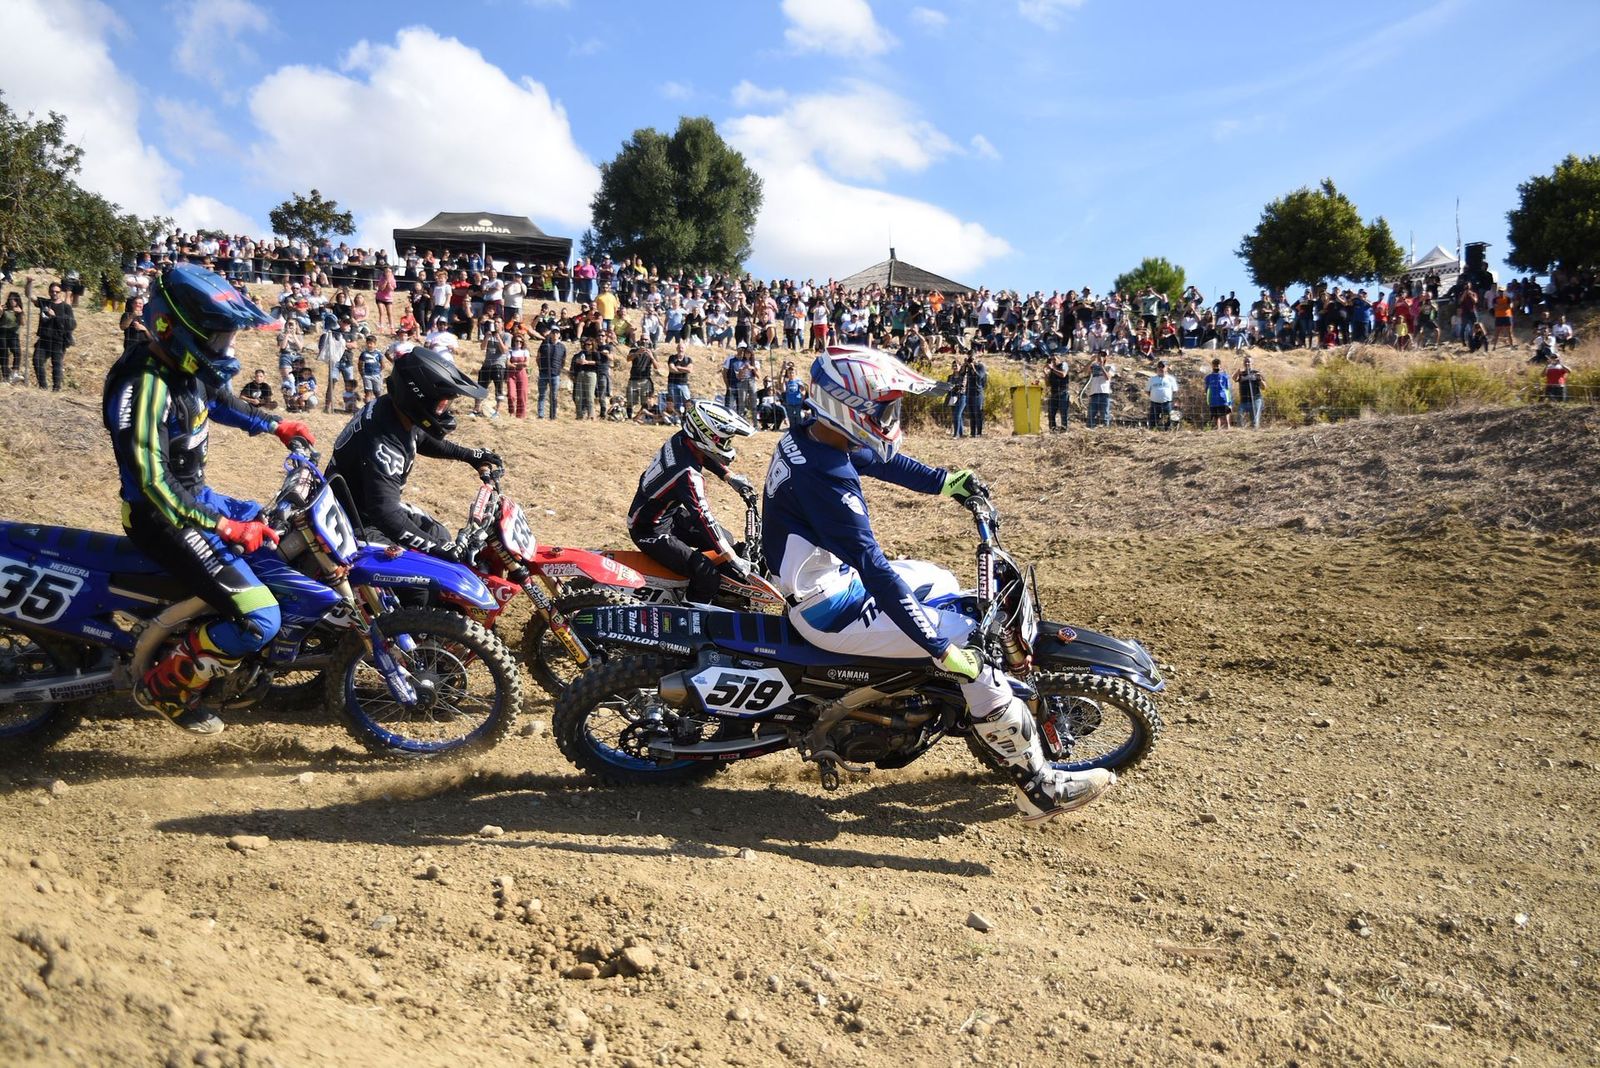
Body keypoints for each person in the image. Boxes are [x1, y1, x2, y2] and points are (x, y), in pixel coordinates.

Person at [763, 346, 1115, 821]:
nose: (892, 416)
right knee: (976, 653)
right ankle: (1040, 787)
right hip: (829, 609)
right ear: (849, 407)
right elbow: (875, 568)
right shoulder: (825, 479)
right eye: (884, 407)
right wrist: (937, 645)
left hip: (828, 582)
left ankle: (948, 698)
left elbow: (879, 460)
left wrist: (947, 482)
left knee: (939, 577)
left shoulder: (813, 435)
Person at [102, 264, 313, 734]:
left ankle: (230, 644)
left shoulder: (185, 366)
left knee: (283, 536)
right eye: (217, 338)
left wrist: (276, 424)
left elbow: (220, 400)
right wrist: (225, 526)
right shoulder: (144, 386)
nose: (225, 348)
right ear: (171, 328)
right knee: (260, 619)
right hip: (162, 518)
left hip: (196, 498)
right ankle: (167, 689)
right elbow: (153, 484)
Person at [325, 347, 502, 559]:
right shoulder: (383, 446)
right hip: (352, 523)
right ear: (418, 397)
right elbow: (386, 515)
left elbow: (421, 438)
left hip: (369, 508)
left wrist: (469, 455)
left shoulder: (393, 409)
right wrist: (438, 550)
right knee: (424, 580)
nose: (445, 411)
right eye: (442, 404)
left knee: (439, 534)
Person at [628, 400, 757, 603]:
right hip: (648, 529)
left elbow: (703, 455)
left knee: (727, 538)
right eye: (724, 441)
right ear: (707, 435)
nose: (727, 446)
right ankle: (688, 613)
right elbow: (703, 517)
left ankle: (721, 591)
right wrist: (733, 559)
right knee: (706, 576)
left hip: (665, 514)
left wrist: (729, 477)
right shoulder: (687, 475)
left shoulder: (682, 439)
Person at [31, 280, 76, 391]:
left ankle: (56, 388)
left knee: (56, 365)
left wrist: (55, 316)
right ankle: (43, 387)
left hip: (58, 340)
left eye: (57, 291)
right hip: (44, 339)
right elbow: (30, 296)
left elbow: (72, 324)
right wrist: (29, 283)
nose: (54, 293)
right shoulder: (44, 303)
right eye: (52, 291)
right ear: (49, 292)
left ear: (60, 292)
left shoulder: (66, 307)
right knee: (37, 360)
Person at [536, 329, 566, 419]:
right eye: (553, 333)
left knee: (553, 396)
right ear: (551, 334)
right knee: (542, 395)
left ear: (559, 335)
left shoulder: (562, 347)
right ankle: (540, 415)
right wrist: (540, 368)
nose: (555, 335)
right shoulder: (544, 344)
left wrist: (559, 369)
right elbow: (538, 357)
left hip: (555, 374)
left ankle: (553, 415)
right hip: (543, 373)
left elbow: (563, 360)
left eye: (557, 333)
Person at [625, 343, 657, 420]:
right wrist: (637, 353)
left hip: (645, 380)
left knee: (645, 401)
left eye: (646, 340)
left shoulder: (652, 352)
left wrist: (651, 357)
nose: (644, 341)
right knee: (630, 400)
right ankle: (629, 418)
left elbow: (657, 366)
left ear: (649, 341)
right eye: (642, 340)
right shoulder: (633, 350)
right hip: (633, 379)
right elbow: (628, 359)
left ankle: (639, 417)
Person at [1234, 355, 1265, 429]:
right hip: (1244, 400)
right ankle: (1241, 432)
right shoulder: (1242, 374)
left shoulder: (1256, 373)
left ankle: (1255, 434)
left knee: (1254, 420)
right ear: (1243, 363)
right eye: (1245, 362)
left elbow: (1264, 387)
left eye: (1249, 362)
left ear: (1252, 363)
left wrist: (1260, 379)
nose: (1247, 363)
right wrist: (1237, 372)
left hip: (1256, 399)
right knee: (1239, 416)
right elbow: (1234, 379)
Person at [1085, 354, 1114, 429]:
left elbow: (1107, 377)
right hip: (1094, 393)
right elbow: (1085, 371)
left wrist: (1101, 366)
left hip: (1104, 394)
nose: (1101, 357)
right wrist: (1091, 360)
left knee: (1104, 415)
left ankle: (1104, 430)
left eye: (1103, 355)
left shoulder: (1110, 366)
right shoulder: (1094, 366)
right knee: (1091, 415)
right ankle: (1090, 430)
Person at [667, 342, 693, 422]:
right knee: (674, 402)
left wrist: (678, 368)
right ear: (676, 349)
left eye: (682, 348)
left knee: (688, 401)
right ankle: (677, 418)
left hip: (683, 384)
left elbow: (690, 370)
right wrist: (683, 370)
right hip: (672, 383)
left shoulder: (688, 359)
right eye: (679, 347)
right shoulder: (672, 358)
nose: (680, 349)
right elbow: (672, 369)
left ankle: (687, 418)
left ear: (685, 349)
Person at [1204, 357, 1232, 429]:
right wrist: (1208, 399)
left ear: (1220, 365)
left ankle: (1229, 430)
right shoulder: (1208, 377)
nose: (1216, 366)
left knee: (1226, 415)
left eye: (1218, 364)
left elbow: (1228, 389)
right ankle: (1218, 431)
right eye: (1214, 365)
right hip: (1213, 400)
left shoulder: (1225, 376)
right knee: (1216, 417)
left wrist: (1229, 402)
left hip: (1223, 400)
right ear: (1212, 366)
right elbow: (1206, 389)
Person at [0, 292, 23, 382]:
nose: (12, 302)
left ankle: (14, 372)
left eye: (14, 300)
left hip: (14, 333)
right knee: (4, 355)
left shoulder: (19, 310)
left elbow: (22, 323)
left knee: (17, 352)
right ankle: (6, 376)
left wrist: (20, 313)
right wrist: (1, 311)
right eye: (10, 299)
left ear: (17, 301)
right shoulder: (4, 309)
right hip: (3, 332)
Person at [1147, 359, 1176, 429]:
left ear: (1166, 368)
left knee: (1169, 419)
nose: (1161, 368)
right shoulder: (1152, 379)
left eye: (1163, 366)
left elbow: (1174, 391)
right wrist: (1155, 397)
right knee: (1153, 420)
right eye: (1159, 367)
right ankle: (1152, 431)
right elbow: (1147, 391)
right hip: (1154, 403)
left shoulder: (1171, 379)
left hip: (1167, 403)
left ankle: (1167, 432)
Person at [1045, 353, 1071, 431]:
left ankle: (1064, 430)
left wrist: (1052, 368)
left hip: (1063, 393)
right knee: (1051, 414)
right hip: (1053, 393)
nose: (1053, 361)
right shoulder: (1052, 370)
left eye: (1054, 359)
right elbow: (1048, 384)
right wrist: (1045, 373)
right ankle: (1052, 430)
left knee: (1063, 413)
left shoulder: (1064, 364)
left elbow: (1063, 374)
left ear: (1059, 359)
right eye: (1051, 360)